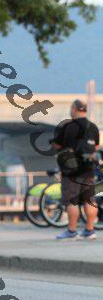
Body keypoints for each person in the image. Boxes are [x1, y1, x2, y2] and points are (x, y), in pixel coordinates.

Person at [53, 99, 100, 240]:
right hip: (89, 169)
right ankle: (89, 230)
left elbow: (57, 145)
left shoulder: (68, 126)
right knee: (89, 199)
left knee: (71, 201)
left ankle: (71, 231)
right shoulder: (93, 127)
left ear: (74, 109)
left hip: (71, 170)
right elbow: (96, 147)